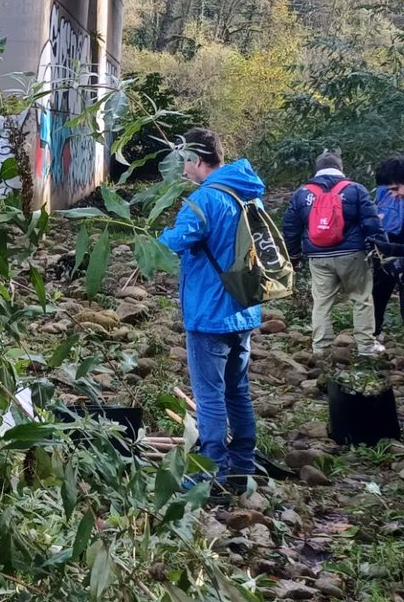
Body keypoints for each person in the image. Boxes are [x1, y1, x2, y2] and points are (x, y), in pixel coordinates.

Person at [158, 128, 265, 487]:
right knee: (238, 390)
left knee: (209, 396)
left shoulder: (205, 199)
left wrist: (155, 237)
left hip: (209, 312)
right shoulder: (248, 193)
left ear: (197, 159)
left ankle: (211, 474)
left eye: (184, 160)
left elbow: (176, 241)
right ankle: (242, 466)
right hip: (244, 308)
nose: (182, 168)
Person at [282, 150, 386, 358]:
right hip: (352, 254)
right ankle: (366, 348)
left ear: (316, 170)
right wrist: (381, 248)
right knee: (361, 299)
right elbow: (371, 222)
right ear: (341, 168)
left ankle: (321, 349)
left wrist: (293, 256)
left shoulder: (302, 193)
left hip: (318, 256)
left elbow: (290, 228)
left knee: (322, 302)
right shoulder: (355, 189)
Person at [372, 154, 404, 341]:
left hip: (393, 247)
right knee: (379, 290)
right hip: (386, 244)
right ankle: (374, 332)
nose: (393, 194)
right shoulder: (384, 193)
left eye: (395, 188)